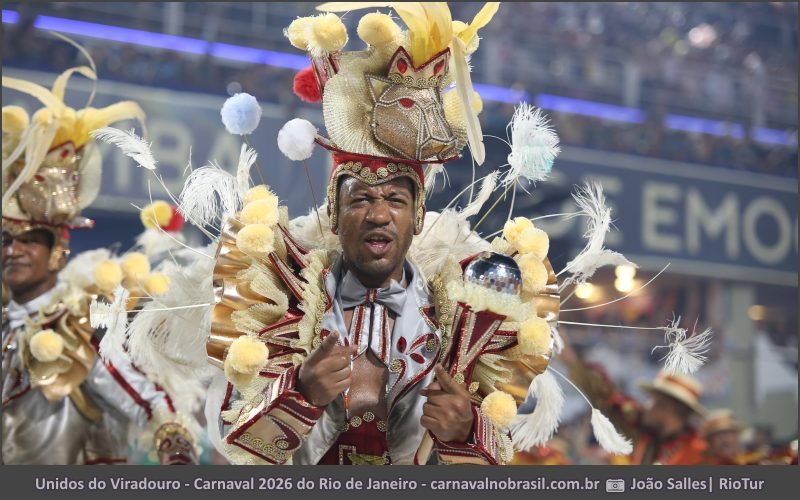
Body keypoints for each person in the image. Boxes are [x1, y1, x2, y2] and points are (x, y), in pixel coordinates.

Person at [200, 2, 559, 465]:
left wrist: (467, 432)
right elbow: (230, 443)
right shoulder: (275, 297)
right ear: (334, 212)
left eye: (395, 200)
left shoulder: (464, 320)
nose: (378, 214)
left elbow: (490, 464)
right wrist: (299, 395)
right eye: (360, 199)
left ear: (418, 217)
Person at [1, 63, 197, 465]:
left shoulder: (78, 324)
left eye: (30, 242)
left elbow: (138, 391)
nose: (14, 251)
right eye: (6, 241)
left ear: (56, 251)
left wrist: (170, 434)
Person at [561, 338, 708, 465]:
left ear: (668, 408)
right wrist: (573, 363)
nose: (647, 406)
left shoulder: (698, 453)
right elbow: (608, 398)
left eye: (654, 401)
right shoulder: (643, 432)